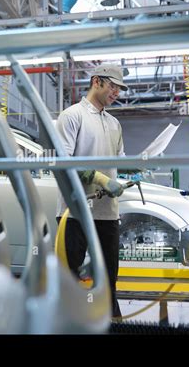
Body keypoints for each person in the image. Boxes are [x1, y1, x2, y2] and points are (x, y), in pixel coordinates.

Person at [56, 63, 128, 318]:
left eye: (120, 89)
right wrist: (99, 178)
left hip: (107, 213)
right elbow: (62, 163)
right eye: (113, 86)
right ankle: (68, 323)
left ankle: (112, 322)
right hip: (75, 211)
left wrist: (129, 176)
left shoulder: (114, 124)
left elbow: (118, 162)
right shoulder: (72, 116)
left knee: (108, 277)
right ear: (97, 81)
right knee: (70, 275)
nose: (117, 92)